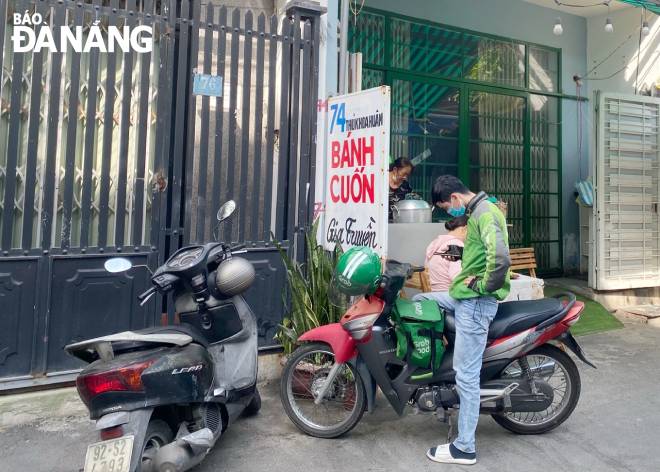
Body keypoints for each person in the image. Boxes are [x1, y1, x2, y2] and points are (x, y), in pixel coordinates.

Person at [412, 175, 510, 466]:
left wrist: (481, 285)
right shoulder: (480, 211)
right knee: (419, 302)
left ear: (454, 199)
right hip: (463, 296)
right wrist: (461, 254)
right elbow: (483, 252)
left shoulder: (485, 212)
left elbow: (501, 259)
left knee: (466, 375)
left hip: (476, 303)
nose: (448, 212)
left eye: (445, 207)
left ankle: (465, 447)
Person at [425, 216, 468, 292]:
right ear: (464, 229)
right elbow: (456, 276)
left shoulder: (435, 243)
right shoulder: (457, 245)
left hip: (433, 293)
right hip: (448, 294)